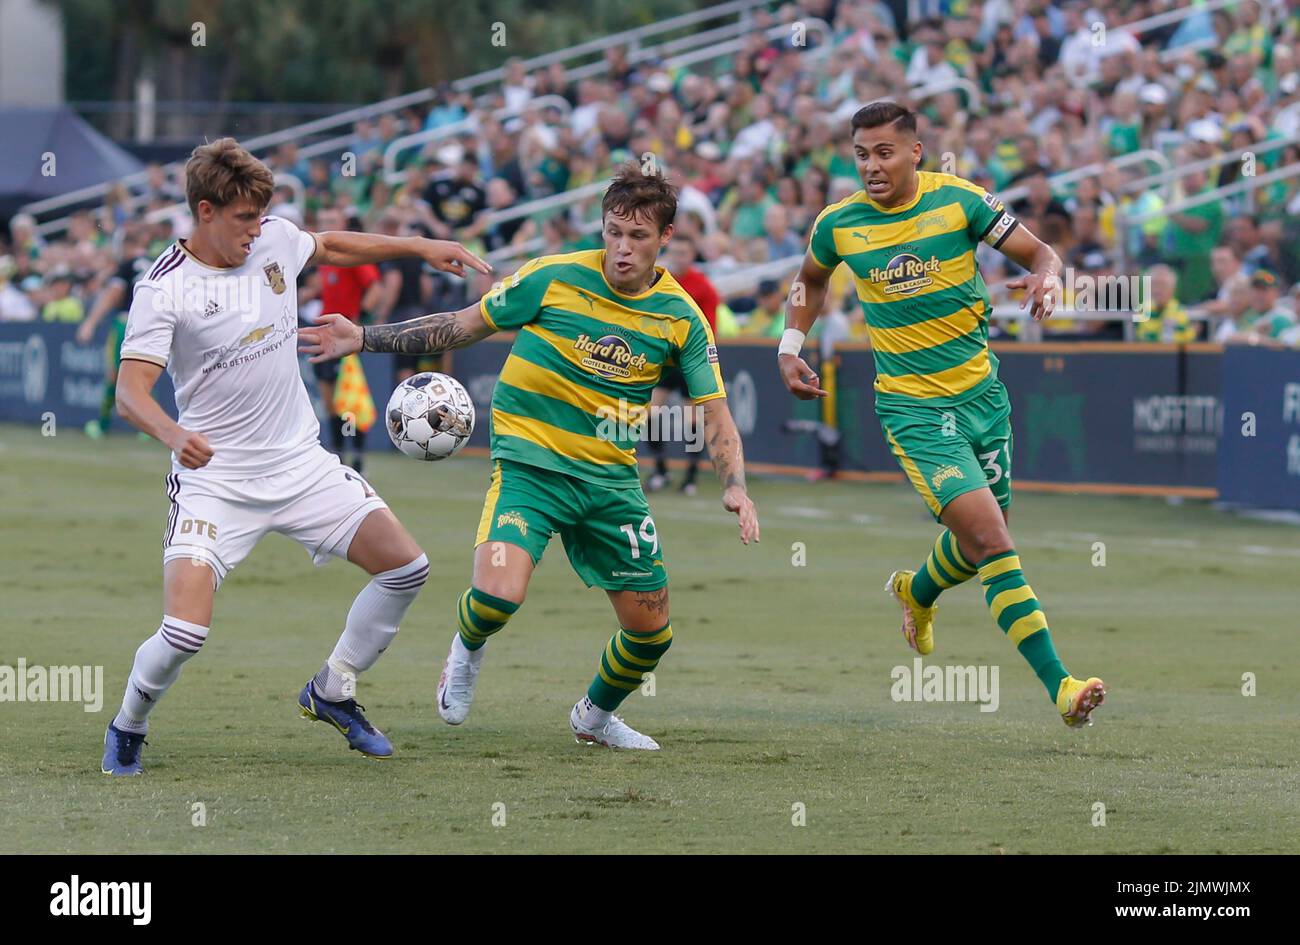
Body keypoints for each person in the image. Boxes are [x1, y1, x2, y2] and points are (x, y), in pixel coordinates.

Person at [301, 160, 760, 750]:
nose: (622, 249)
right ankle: (464, 654)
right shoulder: (552, 278)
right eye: (613, 233)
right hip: (529, 466)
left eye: (638, 237)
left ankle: (593, 717)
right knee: (496, 597)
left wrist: (736, 484)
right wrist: (365, 337)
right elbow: (461, 326)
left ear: (665, 239)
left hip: (609, 483)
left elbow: (715, 411)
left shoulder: (681, 319)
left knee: (651, 634)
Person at [100, 138, 490, 775]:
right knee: (184, 635)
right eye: (242, 219)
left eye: (261, 215)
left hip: (299, 463)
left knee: (407, 568)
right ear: (203, 212)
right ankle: (128, 724)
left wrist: (422, 247)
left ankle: (334, 687)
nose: (259, 230)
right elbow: (129, 393)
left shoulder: (275, 239)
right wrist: (174, 435)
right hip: (215, 479)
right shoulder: (164, 290)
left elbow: (331, 244)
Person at [778, 103, 1105, 728]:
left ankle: (917, 591)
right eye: (862, 154)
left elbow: (1042, 254)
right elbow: (810, 282)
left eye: (884, 152)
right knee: (993, 541)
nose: (873, 166)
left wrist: (1049, 278)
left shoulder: (962, 202)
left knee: (983, 537)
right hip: (915, 410)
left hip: (983, 397)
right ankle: (1062, 687)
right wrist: (790, 346)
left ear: (915, 152)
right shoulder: (839, 223)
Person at [645, 232, 720, 495]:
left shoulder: (703, 287)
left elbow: (709, 328)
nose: (678, 258)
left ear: (692, 255)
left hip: (689, 361)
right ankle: (661, 470)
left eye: (683, 253)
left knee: (692, 420)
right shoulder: (659, 280)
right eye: (674, 252)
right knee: (651, 414)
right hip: (665, 361)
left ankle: (690, 477)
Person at [313, 207, 384, 473]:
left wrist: (359, 319)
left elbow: (376, 288)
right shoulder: (323, 256)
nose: (325, 224)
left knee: (350, 400)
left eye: (331, 220)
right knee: (330, 400)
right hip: (323, 332)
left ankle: (357, 456)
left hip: (344, 336)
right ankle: (339, 457)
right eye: (322, 221)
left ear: (343, 224)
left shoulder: (352, 256)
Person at [77, 227, 153, 438]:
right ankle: (147, 429)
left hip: (127, 323)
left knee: (115, 373)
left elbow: (113, 294)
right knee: (145, 374)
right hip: (152, 324)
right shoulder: (157, 262)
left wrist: (90, 322)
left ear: (126, 245)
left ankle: (102, 424)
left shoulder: (126, 266)